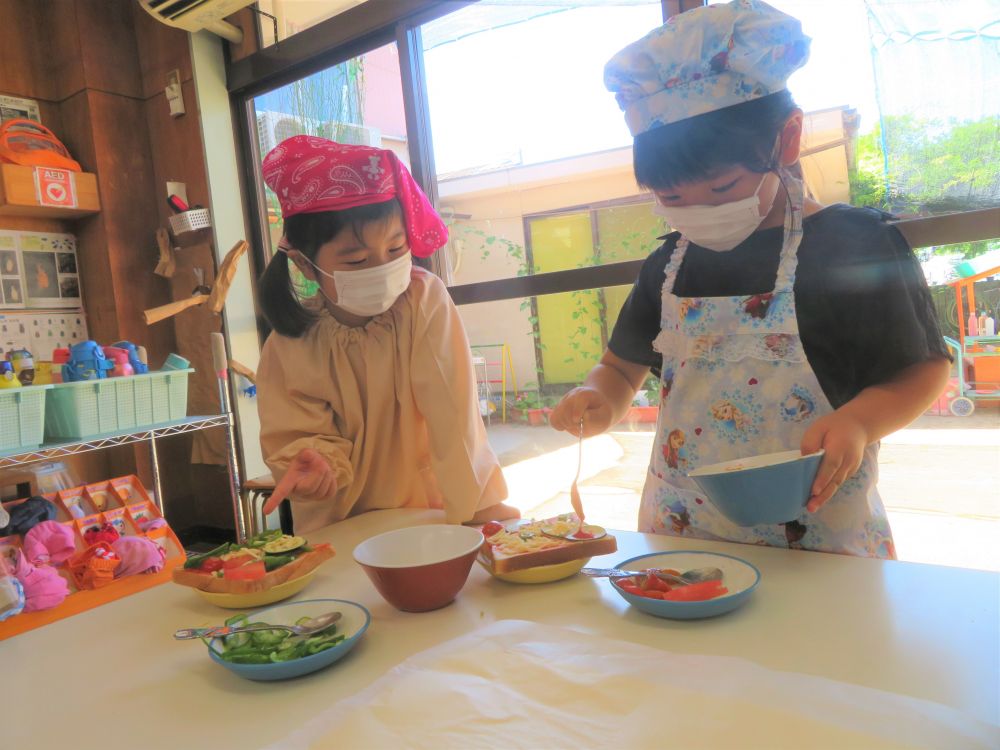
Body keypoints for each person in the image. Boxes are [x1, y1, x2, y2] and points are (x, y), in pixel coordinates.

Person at [550, 0, 951, 557]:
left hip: (818, 536)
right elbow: (620, 367)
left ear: (786, 140)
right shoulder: (667, 265)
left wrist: (860, 421)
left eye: (719, 189)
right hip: (682, 532)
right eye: (671, 198)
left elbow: (921, 369)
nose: (697, 210)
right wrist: (597, 397)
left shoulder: (852, 245)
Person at [255, 135, 518, 533]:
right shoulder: (290, 344)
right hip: (341, 524)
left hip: (428, 511)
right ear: (305, 265)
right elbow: (296, 434)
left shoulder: (422, 300)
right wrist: (314, 463)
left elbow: (453, 413)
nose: (382, 267)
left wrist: (479, 507)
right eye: (357, 259)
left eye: (396, 249)